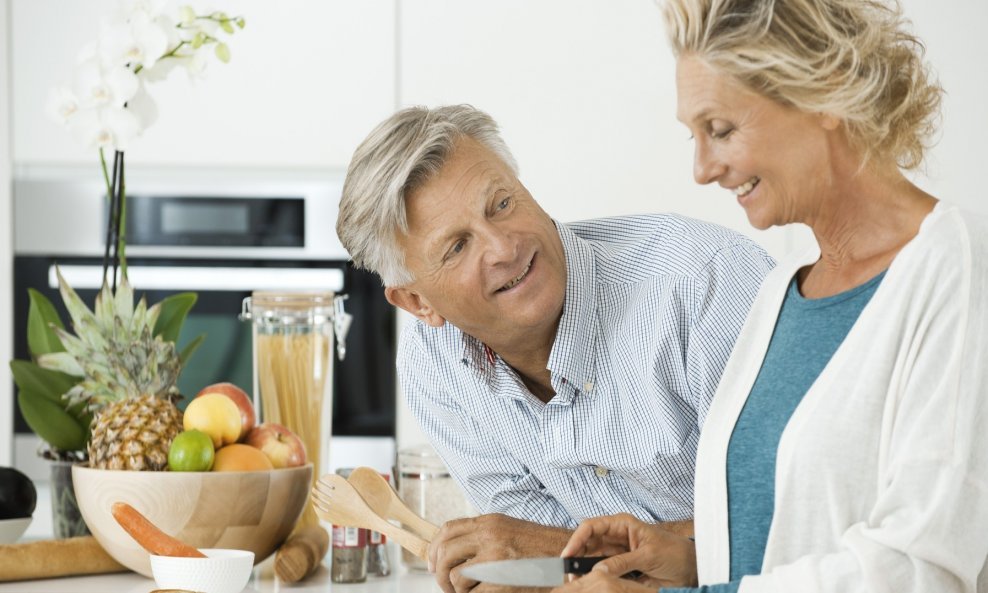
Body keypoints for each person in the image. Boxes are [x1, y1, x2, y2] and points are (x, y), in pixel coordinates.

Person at [552, 0, 988, 592]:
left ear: (825, 95)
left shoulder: (960, 270)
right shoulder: (782, 291)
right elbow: (790, 545)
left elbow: (920, 569)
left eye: (721, 130)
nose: (702, 170)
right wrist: (687, 561)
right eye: (694, 137)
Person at [336, 104, 774, 593]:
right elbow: (552, 578)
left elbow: (796, 521)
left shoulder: (705, 284)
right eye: (457, 247)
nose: (503, 248)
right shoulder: (433, 367)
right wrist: (527, 566)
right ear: (417, 302)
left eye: (500, 204)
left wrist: (548, 551)